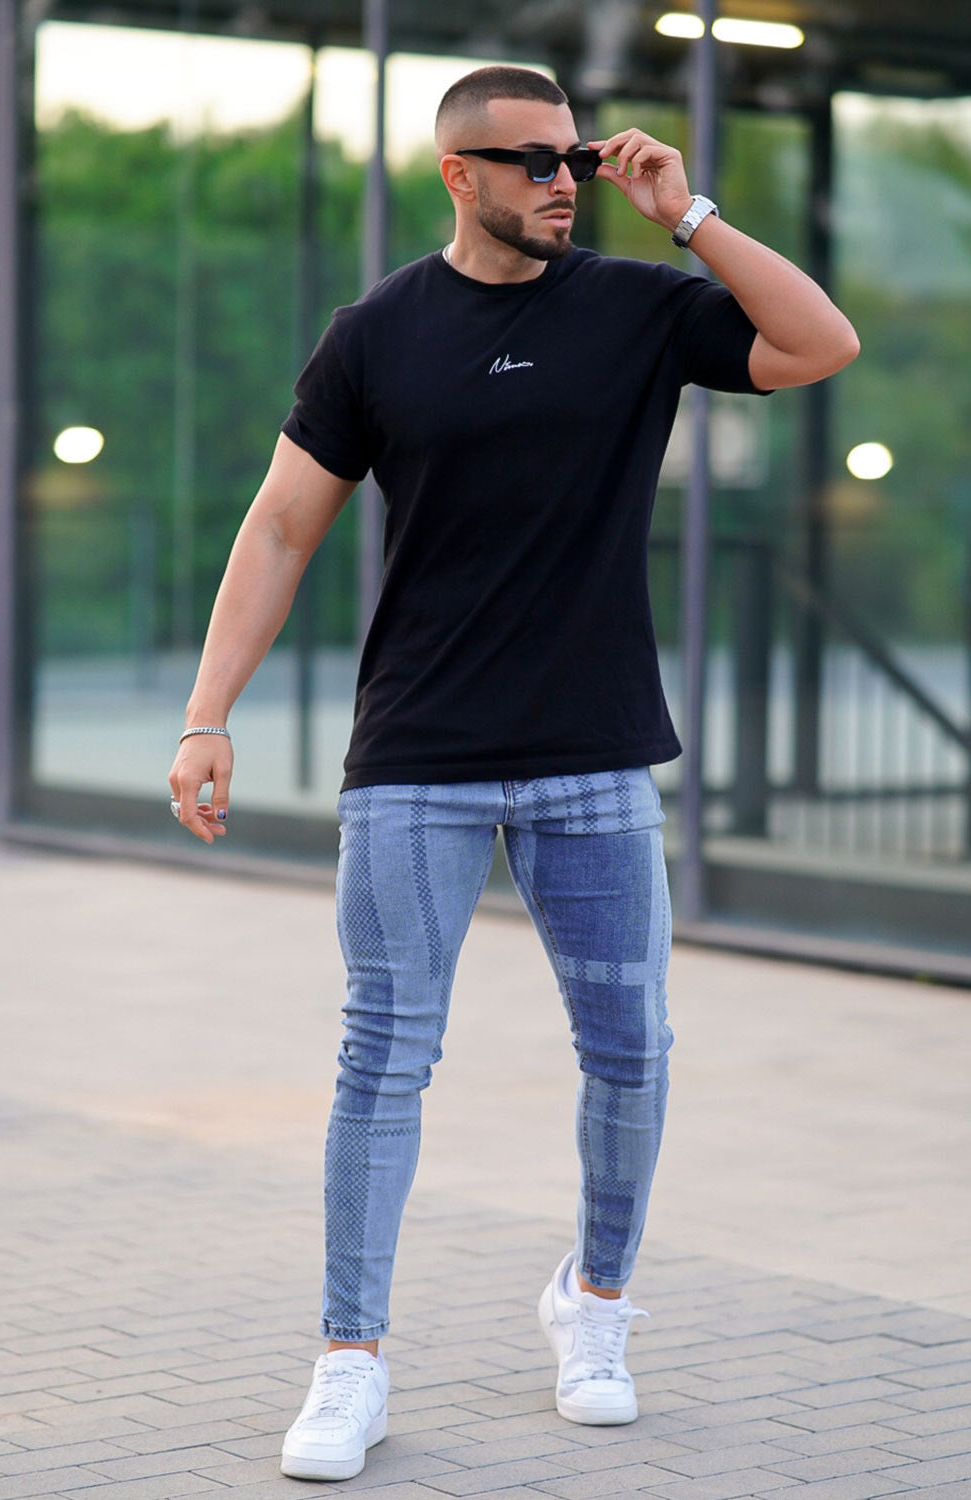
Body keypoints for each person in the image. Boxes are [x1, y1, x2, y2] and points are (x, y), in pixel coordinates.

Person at [168, 65, 858, 1484]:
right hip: (418, 756)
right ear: (458, 175)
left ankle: (595, 1306)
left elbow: (819, 342)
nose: (565, 180)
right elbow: (282, 525)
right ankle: (350, 1360)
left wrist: (690, 216)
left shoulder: (637, 307)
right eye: (534, 160)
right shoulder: (377, 334)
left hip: (595, 754)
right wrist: (205, 713)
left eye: (575, 158)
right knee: (383, 1056)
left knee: (631, 1050)